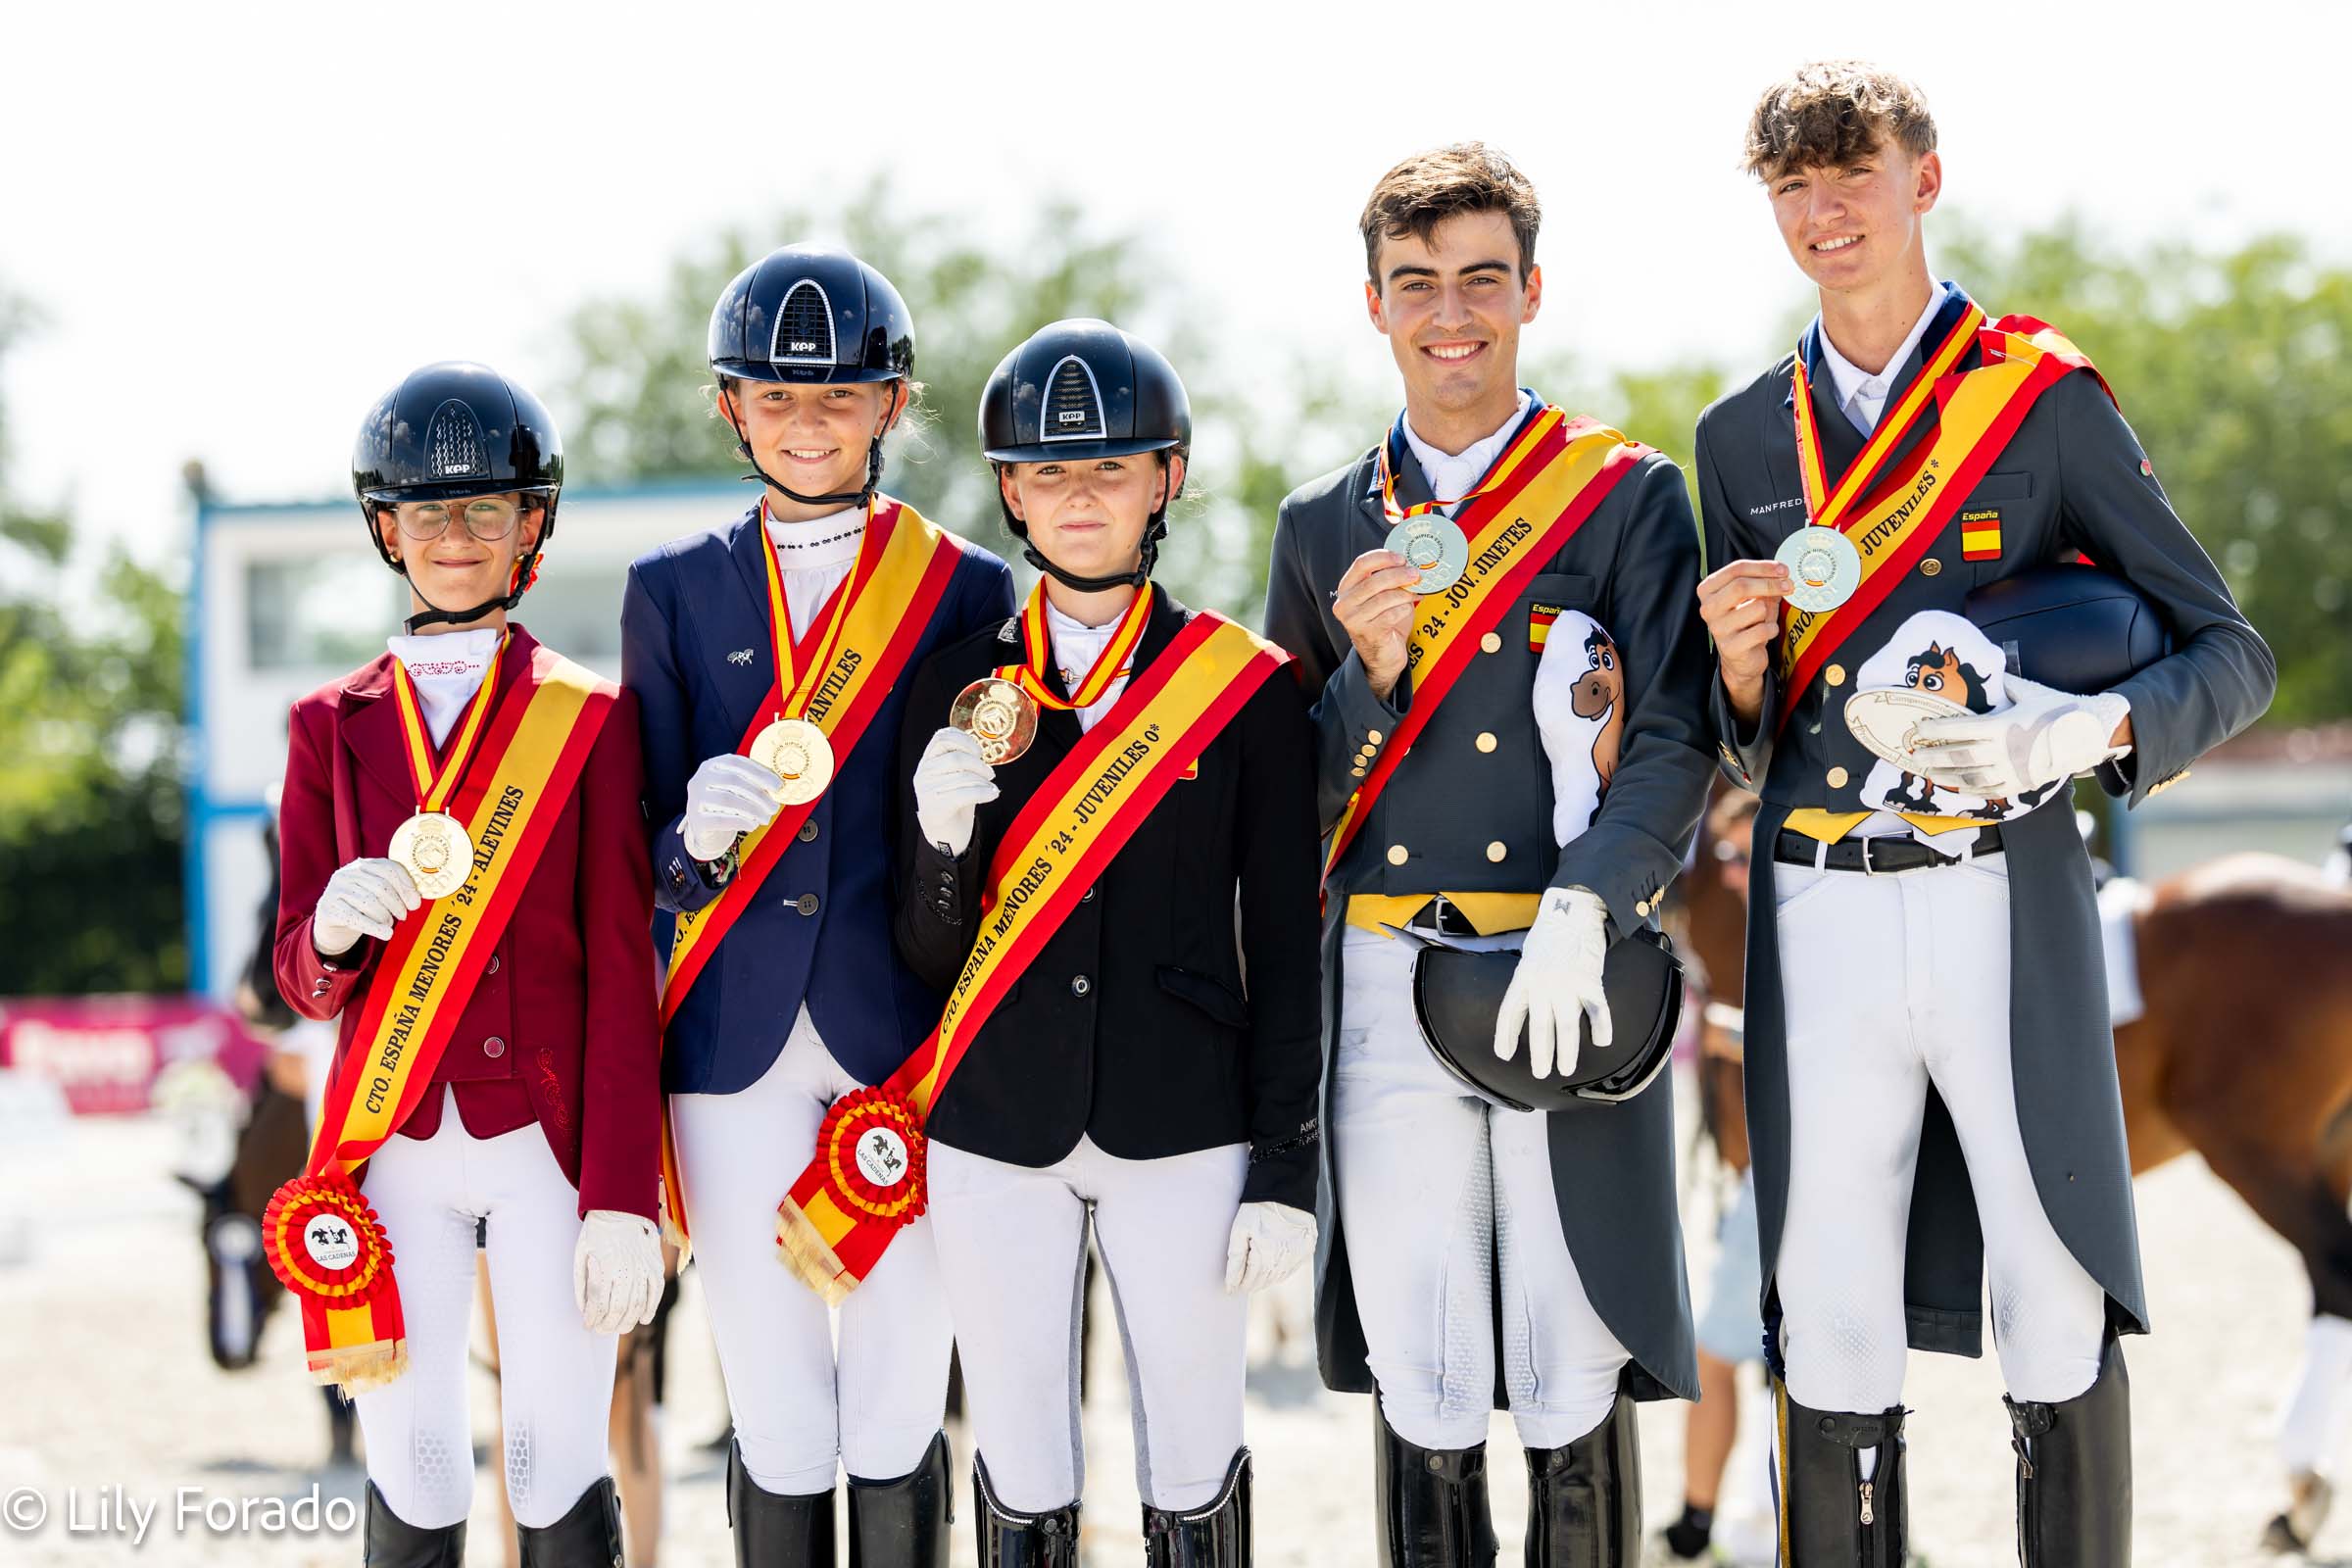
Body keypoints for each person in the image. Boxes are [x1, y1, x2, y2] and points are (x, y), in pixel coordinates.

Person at [1692, 61, 2275, 1564]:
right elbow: (1750, 752)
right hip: (1817, 898)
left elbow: (2231, 650)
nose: (1827, 214)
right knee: (1821, 1300)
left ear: (1925, 181)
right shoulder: (1742, 441)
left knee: (2049, 1280)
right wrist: (1743, 681)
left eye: (1854, 175)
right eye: (1794, 188)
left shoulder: (2042, 401)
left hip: (1997, 892)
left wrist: (2077, 732)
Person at [1263, 144, 1715, 1565]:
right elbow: (1285, 792)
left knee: (1570, 1355)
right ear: (1374, 303)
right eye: (1416, 284)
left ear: (1531, 291)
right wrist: (1369, 678)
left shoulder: (1626, 495)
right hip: (1389, 969)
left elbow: (1674, 735)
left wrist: (1594, 904)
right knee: (1428, 1364)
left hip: (1560, 959)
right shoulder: (1321, 521)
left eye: (1477, 279)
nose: (1448, 312)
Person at [885, 318, 1320, 1566]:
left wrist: (1288, 1166)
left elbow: (1287, 948)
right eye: (1052, 474)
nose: (1081, 498)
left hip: (1183, 1121)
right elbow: (928, 953)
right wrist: (943, 843)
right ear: (1012, 491)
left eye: (1112, 470)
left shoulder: (1243, 686)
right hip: (992, 1124)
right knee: (1018, 1459)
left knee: (1193, 1452)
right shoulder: (953, 683)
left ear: (1165, 479)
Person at [620, 243, 1015, 1567]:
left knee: (901, 1400)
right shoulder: (668, 590)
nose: (807, 420)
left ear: (893, 404)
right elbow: (636, 850)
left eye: (838, 394)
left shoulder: (966, 587)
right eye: (775, 397)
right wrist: (691, 840)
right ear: (731, 407)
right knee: (777, 1409)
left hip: (897, 1039)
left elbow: (989, 834)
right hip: (726, 1042)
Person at [269, 362, 666, 1566]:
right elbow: (297, 970)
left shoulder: (588, 721)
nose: (454, 537)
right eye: (429, 514)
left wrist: (623, 1196)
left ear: (528, 526)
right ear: (387, 528)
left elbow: (616, 975)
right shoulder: (324, 726)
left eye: (482, 510)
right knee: (416, 1458)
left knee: (556, 1456)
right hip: (393, 1145)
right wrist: (332, 927)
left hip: (546, 1144)